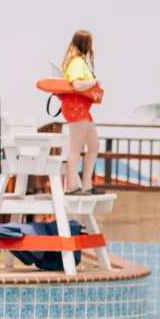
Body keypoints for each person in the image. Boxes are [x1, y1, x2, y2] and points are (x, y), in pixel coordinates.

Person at [60, 30, 103, 196]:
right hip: (76, 106)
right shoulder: (77, 62)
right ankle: (72, 187)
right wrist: (95, 81)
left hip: (81, 108)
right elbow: (77, 85)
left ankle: (86, 186)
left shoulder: (77, 61)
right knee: (76, 148)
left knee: (94, 145)